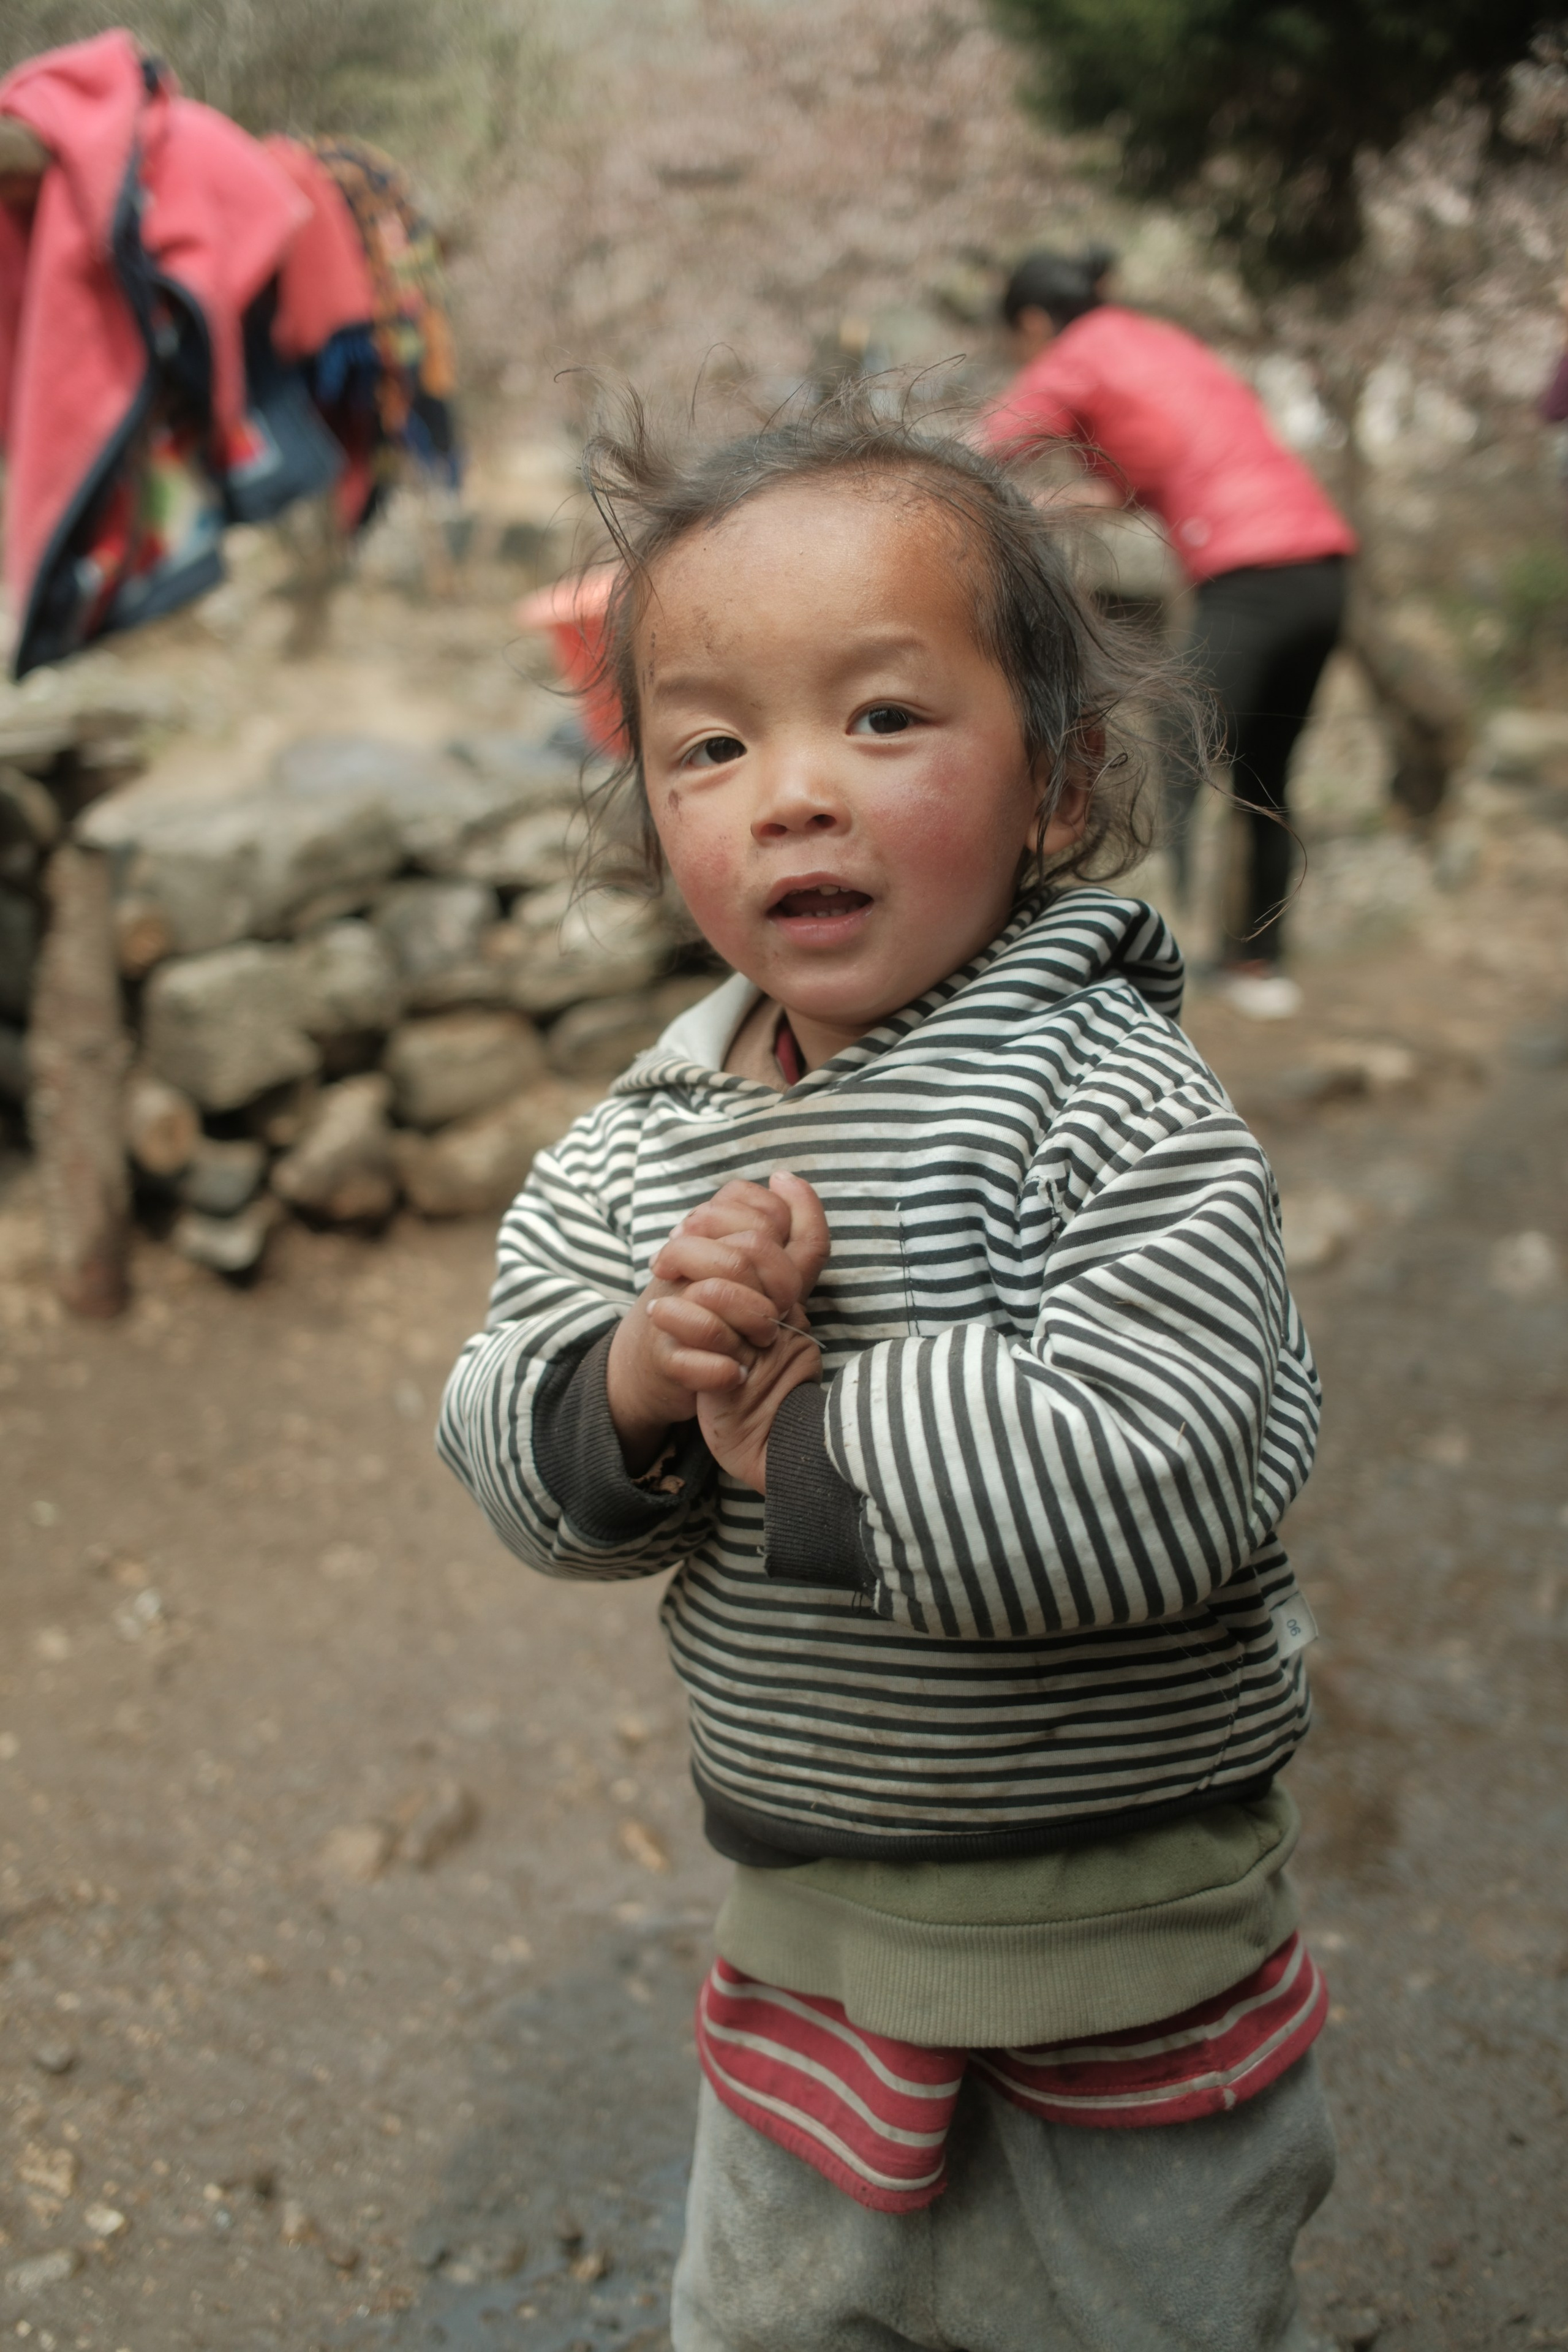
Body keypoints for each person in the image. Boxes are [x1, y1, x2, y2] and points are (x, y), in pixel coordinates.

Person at [438, 392, 1335, 2351]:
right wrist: (643, 1382)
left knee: (1140, 2306)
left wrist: (811, 1436)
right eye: (710, 743)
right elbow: (504, 1437)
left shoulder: (1108, 1102)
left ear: (1055, 777)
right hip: (809, 1931)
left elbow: (1177, 1465)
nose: (790, 793)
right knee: (785, 2306)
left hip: (1124, 1932)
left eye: (880, 717)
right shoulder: (648, 1136)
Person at [980, 247, 1357, 1021]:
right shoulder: (1163, 343)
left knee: (1169, 758)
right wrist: (1063, 499)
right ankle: (1260, 965)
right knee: (1263, 778)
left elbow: (986, 448)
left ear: (1031, 321)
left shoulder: (1077, 352)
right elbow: (1150, 469)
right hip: (1322, 571)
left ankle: (1153, 962)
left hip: (1250, 578)